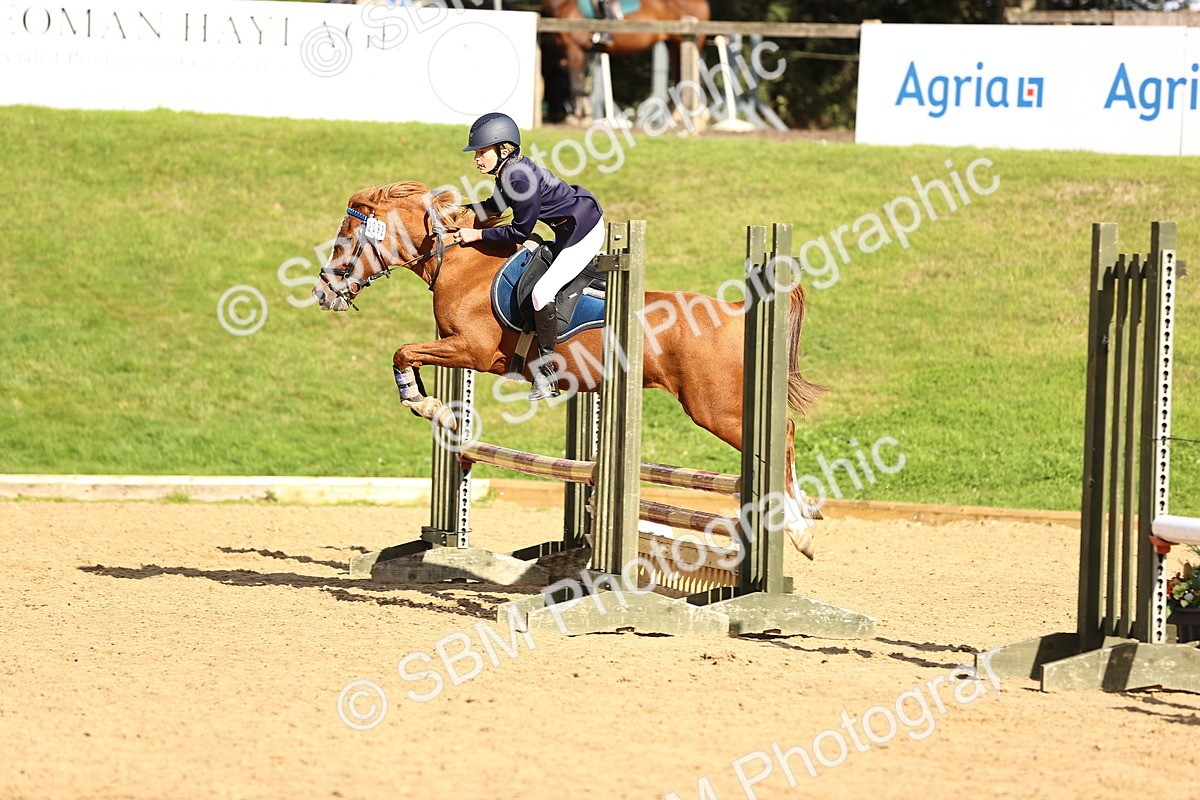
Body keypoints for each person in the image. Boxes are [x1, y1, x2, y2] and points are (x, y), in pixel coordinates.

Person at [453, 112, 605, 401]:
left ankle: (547, 374)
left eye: (482, 152)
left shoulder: (519, 178)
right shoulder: (507, 172)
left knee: (541, 292)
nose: (476, 158)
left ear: (503, 149)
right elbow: (493, 207)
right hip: (567, 226)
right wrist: (455, 211)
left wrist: (477, 235)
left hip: (584, 229)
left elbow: (520, 232)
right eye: (476, 153)